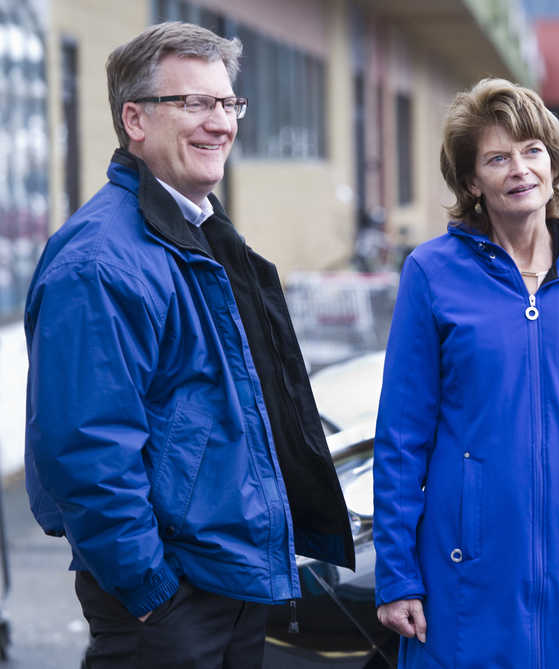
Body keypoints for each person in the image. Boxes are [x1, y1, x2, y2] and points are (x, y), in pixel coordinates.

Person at [24, 22, 354, 668]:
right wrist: (151, 593)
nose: (221, 123)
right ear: (135, 119)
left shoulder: (193, 234)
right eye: (195, 103)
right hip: (167, 603)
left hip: (224, 584)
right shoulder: (101, 261)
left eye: (228, 103)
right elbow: (86, 454)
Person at [372, 78, 559, 668]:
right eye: (497, 157)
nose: (519, 169)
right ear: (470, 181)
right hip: (467, 572)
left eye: (532, 151)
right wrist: (397, 573)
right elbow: (402, 437)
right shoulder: (432, 274)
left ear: (555, 166)